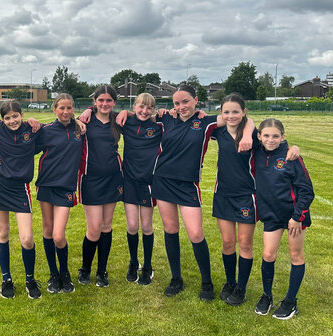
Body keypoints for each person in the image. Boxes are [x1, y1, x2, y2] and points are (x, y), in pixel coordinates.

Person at [116, 84, 253, 300]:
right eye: (177, 103)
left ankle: (206, 282)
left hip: (188, 185)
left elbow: (237, 118)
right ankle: (176, 278)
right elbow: (141, 113)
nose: (181, 107)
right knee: (171, 230)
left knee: (196, 234)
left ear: (196, 100)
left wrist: (247, 134)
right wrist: (125, 111)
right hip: (162, 182)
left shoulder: (206, 122)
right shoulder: (165, 119)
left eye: (185, 102)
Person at [211, 94, 300, 306]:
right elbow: (200, 120)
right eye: (227, 112)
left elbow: (274, 143)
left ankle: (241, 288)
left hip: (246, 196)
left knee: (245, 243)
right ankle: (230, 282)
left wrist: (292, 147)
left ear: (244, 112)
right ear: (221, 113)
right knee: (227, 242)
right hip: (222, 194)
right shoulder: (218, 131)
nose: (231, 115)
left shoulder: (252, 133)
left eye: (236, 111)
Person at [253, 118, 314, 320]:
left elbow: (307, 191)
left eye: (276, 136)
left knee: (295, 255)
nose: (271, 140)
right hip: (271, 214)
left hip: (294, 215)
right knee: (268, 254)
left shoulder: (291, 157)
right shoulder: (257, 152)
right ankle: (267, 296)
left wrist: (297, 217)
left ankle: (290, 300)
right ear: (259, 137)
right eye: (266, 135)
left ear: (283, 137)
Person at [0, 100, 43, 299]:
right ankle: (6, 279)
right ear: (2, 120)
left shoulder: (32, 129)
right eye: (7, 118)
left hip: (20, 189)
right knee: (3, 233)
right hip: (1, 186)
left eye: (15, 116)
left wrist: (36, 123)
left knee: (27, 238)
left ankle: (30, 279)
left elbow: (46, 138)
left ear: (22, 114)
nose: (12, 121)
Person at [34, 93, 86, 294]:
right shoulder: (45, 130)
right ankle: (54, 274)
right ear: (54, 109)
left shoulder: (79, 129)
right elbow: (25, 149)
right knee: (47, 230)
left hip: (66, 187)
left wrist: (81, 119)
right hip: (46, 185)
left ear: (74, 109)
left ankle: (65, 273)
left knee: (58, 235)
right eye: (61, 108)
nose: (65, 112)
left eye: (69, 108)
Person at [76, 85, 123, 288]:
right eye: (100, 100)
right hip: (91, 179)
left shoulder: (119, 120)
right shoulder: (84, 119)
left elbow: (145, 115)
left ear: (114, 102)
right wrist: (85, 111)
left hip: (113, 178)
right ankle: (85, 269)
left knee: (106, 226)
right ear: (94, 101)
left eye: (109, 100)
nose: (105, 104)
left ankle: (102, 271)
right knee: (94, 228)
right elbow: (60, 122)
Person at [119, 93, 161, 285]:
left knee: (146, 226)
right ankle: (133, 261)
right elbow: (101, 113)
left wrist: (164, 112)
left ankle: (148, 265)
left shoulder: (158, 126)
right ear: (134, 106)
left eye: (149, 108)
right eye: (141, 107)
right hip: (129, 181)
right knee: (132, 226)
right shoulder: (126, 122)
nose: (145, 111)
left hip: (148, 183)